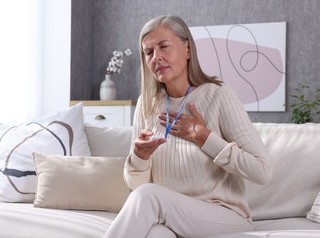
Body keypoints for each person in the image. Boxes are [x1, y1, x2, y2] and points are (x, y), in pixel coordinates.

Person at [103, 15, 272, 238]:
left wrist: (205, 138)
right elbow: (136, 185)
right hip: (170, 217)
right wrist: (139, 157)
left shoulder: (218, 95)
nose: (157, 57)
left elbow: (262, 172)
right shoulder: (147, 104)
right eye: (149, 52)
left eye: (164, 46)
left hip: (225, 217)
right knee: (154, 234)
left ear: (188, 50)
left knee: (149, 197)